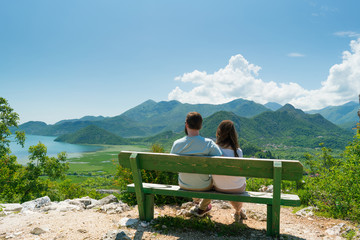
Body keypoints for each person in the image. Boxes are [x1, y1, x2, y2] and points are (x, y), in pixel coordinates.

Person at [170, 112, 222, 217]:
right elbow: (220, 163)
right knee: (215, 180)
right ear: (201, 126)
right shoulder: (209, 143)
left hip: (184, 184)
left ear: (186, 125)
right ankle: (203, 207)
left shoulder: (177, 144)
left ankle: (197, 202)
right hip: (204, 186)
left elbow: (172, 165)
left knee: (191, 176)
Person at [212, 120, 247, 222]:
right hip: (237, 188)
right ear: (233, 134)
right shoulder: (238, 152)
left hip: (218, 187)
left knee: (226, 181)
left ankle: (239, 211)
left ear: (219, 133)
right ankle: (238, 211)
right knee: (236, 183)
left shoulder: (214, 149)